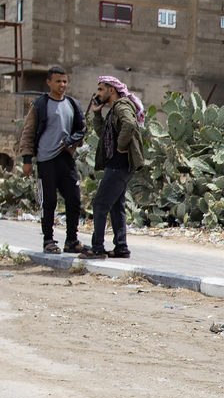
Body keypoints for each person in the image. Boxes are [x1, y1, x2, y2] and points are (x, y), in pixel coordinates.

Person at [18, 65, 87, 254]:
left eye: (64, 81)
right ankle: (48, 240)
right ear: (49, 82)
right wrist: (26, 159)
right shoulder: (40, 105)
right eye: (58, 81)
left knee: (74, 200)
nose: (62, 85)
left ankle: (71, 240)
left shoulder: (73, 104)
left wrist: (75, 140)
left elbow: (80, 130)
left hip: (66, 159)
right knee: (48, 202)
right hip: (46, 160)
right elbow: (28, 132)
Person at [79, 76, 145, 259]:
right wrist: (97, 113)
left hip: (119, 165)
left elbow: (130, 124)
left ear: (111, 90)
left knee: (100, 204)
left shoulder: (121, 106)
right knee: (116, 205)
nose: (98, 93)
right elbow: (103, 134)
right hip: (116, 165)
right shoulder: (113, 110)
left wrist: (121, 146)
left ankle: (97, 248)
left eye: (101, 89)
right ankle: (121, 247)